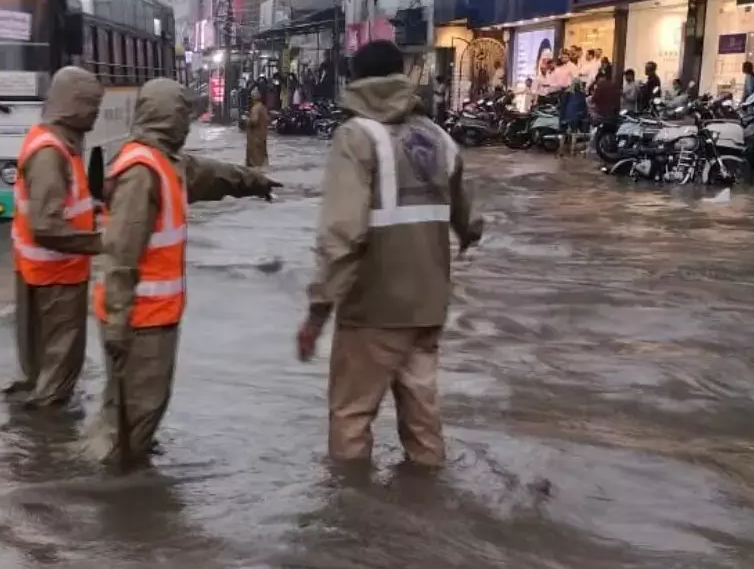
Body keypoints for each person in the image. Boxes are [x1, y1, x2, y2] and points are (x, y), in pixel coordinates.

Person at [295, 40, 482, 469]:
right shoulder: (438, 138)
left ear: (356, 82)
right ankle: (425, 509)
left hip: (373, 310)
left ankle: (351, 519)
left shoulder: (355, 136)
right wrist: (465, 237)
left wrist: (317, 311)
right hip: (428, 308)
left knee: (352, 418)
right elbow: (470, 219)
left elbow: (343, 234)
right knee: (423, 422)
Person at [91, 78, 279, 466]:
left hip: (152, 318)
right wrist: (118, 325)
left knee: (138, 410)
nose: (188, 124)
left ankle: (121, 475)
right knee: (134, 415)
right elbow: (121, 256)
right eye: (183, 115)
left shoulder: (166, 162)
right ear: (168, 117)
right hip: (138, 321)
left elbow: (211, 175)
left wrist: (254, 182)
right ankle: (113, 491)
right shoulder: (141, 171)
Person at [7, 67, 105, 409]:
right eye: (91, 105)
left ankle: (33, 430)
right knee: (59, 371)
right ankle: (46, 442)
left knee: (43, 366)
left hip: (42, 273)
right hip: (56, 277)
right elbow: (46, 226)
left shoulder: (56, 144)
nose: (96, 113)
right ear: (72, 104)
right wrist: (101, 242)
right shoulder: (51, 153)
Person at [245, 88, 270, 168]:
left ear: (253, 98)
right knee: (263, 161)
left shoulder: (256, 108)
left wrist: (247, 120)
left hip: (255, 138)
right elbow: (267, 119)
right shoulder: (263, 107)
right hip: (262, 137)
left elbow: (254, 121)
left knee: (255, 163)